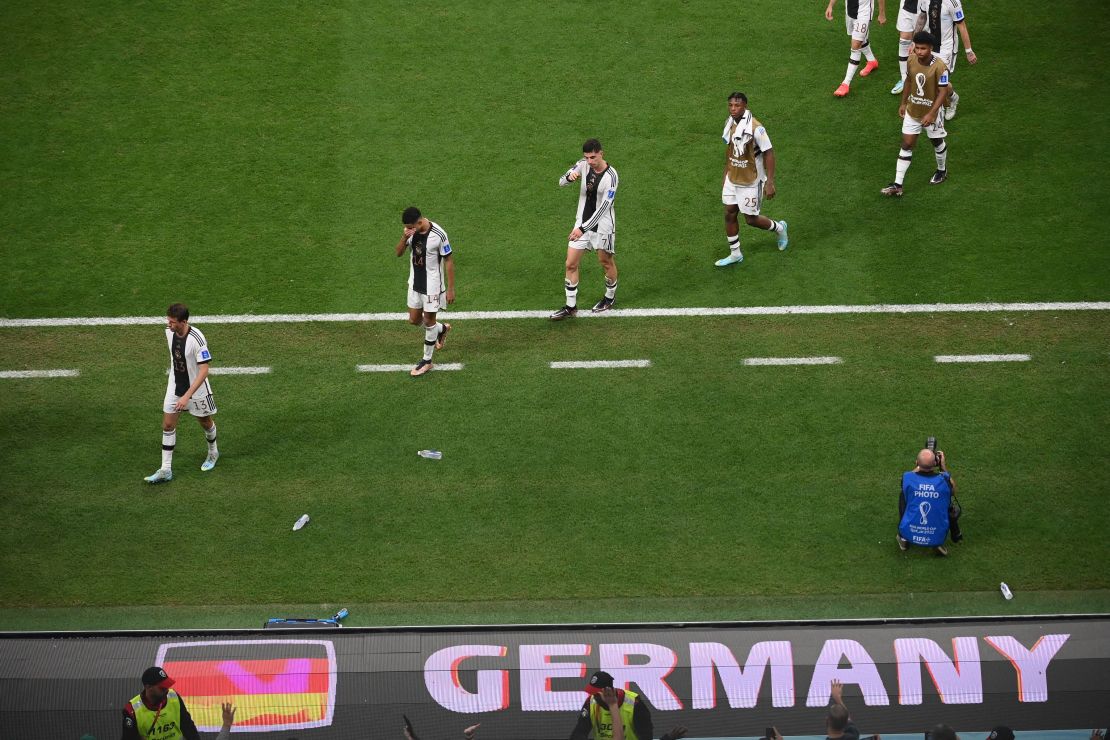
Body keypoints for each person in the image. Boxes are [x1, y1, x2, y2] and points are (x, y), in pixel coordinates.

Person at [144, 303, 218, 484]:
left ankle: (213, 452)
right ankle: (165, 469)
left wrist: (187, 396)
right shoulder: (169, 332)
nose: (168, 324)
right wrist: (180, 392)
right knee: (168, 425)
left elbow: (204, 371)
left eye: (172, 321)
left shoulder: (197, 339)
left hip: (197, 389)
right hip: (175, 385)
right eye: (168, 320)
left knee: (205, 422)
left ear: (184, 322)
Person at [716, 92, 788, 267]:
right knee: (729, 212)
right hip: (733, 178)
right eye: (731, 105)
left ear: (745, 106)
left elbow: (769, 152)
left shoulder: (756, 128)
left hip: (751, 180)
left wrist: (769, 182)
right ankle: (735, 254)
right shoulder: (729, 123)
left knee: (751, 219)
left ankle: (780, 228)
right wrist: (726, 171)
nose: (733, 109)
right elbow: (730, 148)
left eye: (737, 105)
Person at [550, 139, 620, 319]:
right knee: (570, 263)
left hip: (603, 227)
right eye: (586, 157)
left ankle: (609, 297)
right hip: (581, 224)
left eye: (593, 157)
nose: (589, 161)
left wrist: (583, 228)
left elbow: (604, 208)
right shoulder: (582, 165)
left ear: (601, 153)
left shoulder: (612, 177)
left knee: (606, 262)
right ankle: (570, 306)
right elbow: (560, 182)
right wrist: (569, 177)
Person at [880, 31, 950, 197]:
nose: (919, 51)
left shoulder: (940, 66)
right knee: (907, 144)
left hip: (931, 112)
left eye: (923, 48)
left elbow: (942, 92)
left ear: (931, 48)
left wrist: (932, 113)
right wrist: (903, 102)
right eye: (917, 48)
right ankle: (897, 184)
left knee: (936, 141)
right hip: (913, 109)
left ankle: (942, 170)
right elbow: (909, 80)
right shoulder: (911, 59)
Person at [395, 206, 456, 377]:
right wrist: (403, 236)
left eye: (410, 227)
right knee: (414, 320)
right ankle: (441, 329)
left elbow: (449, 261)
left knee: (429, 321)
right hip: (414, 283)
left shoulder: (439, 234)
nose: (408, 229)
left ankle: (427, 361)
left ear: (419, 222)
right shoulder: (410, 232)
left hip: (432, 287)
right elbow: (398, 253)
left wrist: (450, 289)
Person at [122, 666, 237, 739]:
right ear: (148, 687)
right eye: (162, 688)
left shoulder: (173, 696)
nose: (166, 690)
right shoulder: (132, 711)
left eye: (167, 686)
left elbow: (187, 726)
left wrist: (226, 726)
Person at [569, 670, 687, 740]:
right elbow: (579, 733)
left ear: (609, 690)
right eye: (592, 692)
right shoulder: (591, 702)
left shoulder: (635, 703)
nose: (594, 696)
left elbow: (646, 736)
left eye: (597, 693)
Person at [916, 0, 978, 119]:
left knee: (940, 83)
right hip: (930, 46)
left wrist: (969, 51)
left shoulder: (953, 2)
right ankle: (950, 97)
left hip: (946, 49)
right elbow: (922, 17)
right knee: (928, 77)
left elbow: (962, 26)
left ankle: (949, 102)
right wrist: (915, 41)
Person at [897, 446, 960, 556]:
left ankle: (903, 540)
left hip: (908, 532)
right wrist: (943, 466)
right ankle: (935, 542)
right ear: (935, 463)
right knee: (943, 497)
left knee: (904, 494)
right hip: (937, 534)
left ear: (916, 462)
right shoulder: (944, 480)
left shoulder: (908, 478)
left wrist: (920, 465)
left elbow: (907, 479)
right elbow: (953, 491)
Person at [826, 0, 887, 97]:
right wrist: (830, 6)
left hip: (864, 13)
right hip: (850, 11)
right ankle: (872, 61)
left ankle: (845, 84)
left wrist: (882, 13)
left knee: (855, 45)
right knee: (860, 39)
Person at [889, 0, 921, 94]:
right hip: (906, 7)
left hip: (925, 7)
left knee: (921, 40)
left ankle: (919, 77)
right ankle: (904, 79)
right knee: (904, 39)